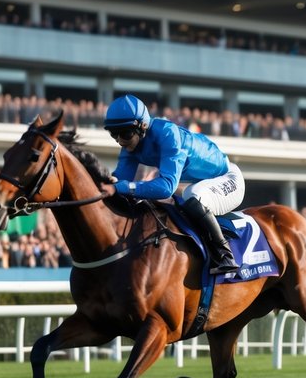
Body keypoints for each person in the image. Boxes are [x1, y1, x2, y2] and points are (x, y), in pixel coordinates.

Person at [103, 93, 243, 275]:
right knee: (187, 195)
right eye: (114, 134)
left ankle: (224, 254)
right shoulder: (131, 146)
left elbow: (166, 187)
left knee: (192, 197)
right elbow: (120, 180)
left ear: (142, 126)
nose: (120, 140)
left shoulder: (168, 133)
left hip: (228, 178)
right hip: (203, 182)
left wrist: (123, 187)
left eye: (126, 134)